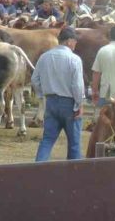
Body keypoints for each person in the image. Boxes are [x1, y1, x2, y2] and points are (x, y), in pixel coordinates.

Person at [31, 28, 85, 161]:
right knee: (74, 143)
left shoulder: (45, 56)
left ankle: (38, 170)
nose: (75, 44)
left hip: (51, 101)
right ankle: (75, 172)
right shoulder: (74, 59)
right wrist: (79, 103)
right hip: (69, 103)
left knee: (47, 139)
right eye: (75, 41)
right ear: (69, 41)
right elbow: (77, 85)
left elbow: (34, 79)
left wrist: (42, 95)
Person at [91, 26, 115, 107]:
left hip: (105, 94)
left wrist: (94, 91)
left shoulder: (102, 50)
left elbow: (96, 73)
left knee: (102, 118)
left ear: (110, 36)